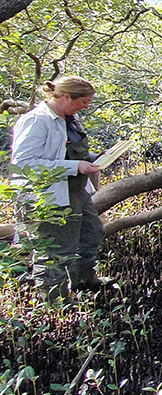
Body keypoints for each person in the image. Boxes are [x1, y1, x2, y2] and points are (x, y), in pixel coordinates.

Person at [10, 76, 109, 300]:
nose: (86, 106)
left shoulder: (69, 118)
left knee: (91, 234)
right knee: (53, 251)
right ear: (65, 96)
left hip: (75, 192)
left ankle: (84, 282)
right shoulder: (37, 121)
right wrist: (75, 166)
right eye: (83, 101)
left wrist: (92, 159)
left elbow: (67, 151)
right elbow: (24, 164)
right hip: (46, 197)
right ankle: (55, 303)